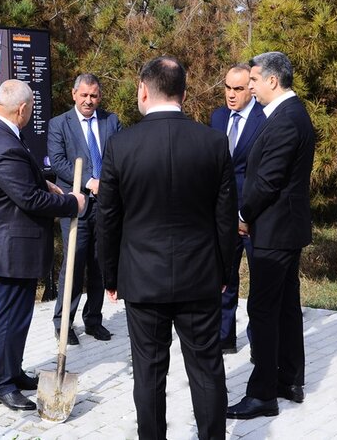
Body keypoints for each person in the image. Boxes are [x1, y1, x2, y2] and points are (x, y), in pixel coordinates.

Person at [97, 56, 237, 439]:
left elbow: (107, 219)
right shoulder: (212, 141)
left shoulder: (120, 145)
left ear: (143, 90)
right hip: (200, 276)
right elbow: (225, 218)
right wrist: (225, 272)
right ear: (184, 94)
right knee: (207, 368)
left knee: (148, 372)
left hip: (142, 279)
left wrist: (110, 275)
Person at [0, 79, 86, 412]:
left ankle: (13, 372)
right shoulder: (4, 146)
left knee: (16, 315)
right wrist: (73, 203)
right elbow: (30, 200)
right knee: (9, 316)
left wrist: (43, 181)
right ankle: (2, 385)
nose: (30, 115)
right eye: (30, 110)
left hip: (2, 240)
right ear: (21, 109)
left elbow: (15, 182)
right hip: (10, 246)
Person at [226, 51, 315, 420]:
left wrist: (244, 215)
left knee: (262, 310)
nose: (250, 87)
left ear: (273, 82)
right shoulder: (286, 114)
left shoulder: (285, 120)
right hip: (284, 228)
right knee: (286, 307)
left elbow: (267, 180)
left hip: (274, 231)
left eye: (254, 81)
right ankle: (289, 379)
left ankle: (262, 393)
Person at [48, 73, 122, 345]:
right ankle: (64, 323)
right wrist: (90, 181)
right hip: (75, 205)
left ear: (99, 97)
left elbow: (120, 155)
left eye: (94, 96)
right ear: (73, 94)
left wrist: (109, 183)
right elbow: (57, 162)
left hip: (105, 206)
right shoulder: (59, 124)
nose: (88, 101)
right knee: (74, 264)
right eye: (84, 95)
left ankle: (94, 320)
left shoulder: (111, 122)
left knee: (99, 263)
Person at [210, 64, 266, 354]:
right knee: (225, 280)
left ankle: (258, 342)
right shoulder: (218, 117)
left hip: (254, 217)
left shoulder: (263, 118)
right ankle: (224, 338)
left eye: (238, 89)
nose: (231, 95)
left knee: (259, 286)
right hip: (223, 217)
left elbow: (265, 174)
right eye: (227, 88)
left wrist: (248, 214)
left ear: (251, 89)